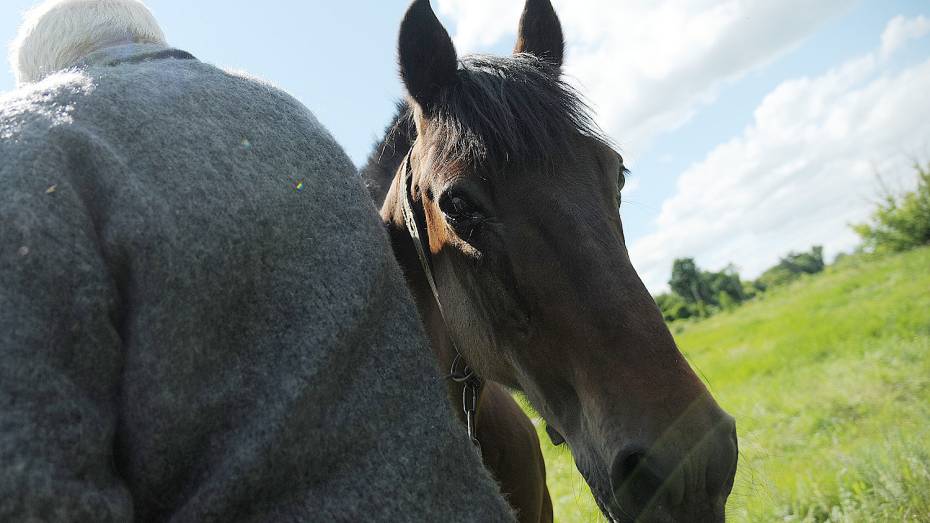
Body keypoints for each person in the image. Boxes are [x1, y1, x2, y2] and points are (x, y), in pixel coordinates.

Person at [0, 1, 514, 521]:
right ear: (152, 38)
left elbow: (33, 482)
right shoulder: (295, 118)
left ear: (36, 80)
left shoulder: (24, 146)